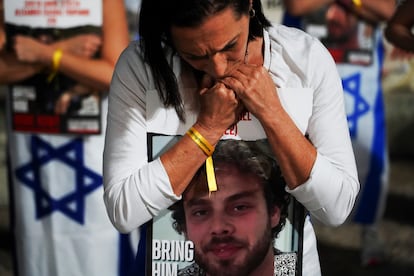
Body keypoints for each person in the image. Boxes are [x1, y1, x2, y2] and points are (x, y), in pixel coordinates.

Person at [103, 0, 360, 275]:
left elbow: (336, 207)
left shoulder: (302, 59)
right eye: (195, 55)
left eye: (229, 46)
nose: (218, 68)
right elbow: (123, 210)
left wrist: (272, 113)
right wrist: (207, 129)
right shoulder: (141, 68)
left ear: (249, 5)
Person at [0, 0, 130, 275]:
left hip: (94, 144)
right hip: (31, 145)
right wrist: (64, 52)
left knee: (101, 240)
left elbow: (116, 72)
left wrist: (44, 55)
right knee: (36, 242)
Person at [283, 0, 395, 267]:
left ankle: (369, 231)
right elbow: (297, 6)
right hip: (310, 64)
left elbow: (388, 11)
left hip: (360, 72)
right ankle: (303, 235)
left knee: (369, 154)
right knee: (303, 149)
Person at [170, 139, 296, 276]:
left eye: (240, 207)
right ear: (184, 226)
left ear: (273, 212)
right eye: (201, 212)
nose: (218, 228)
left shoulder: (299, 269)